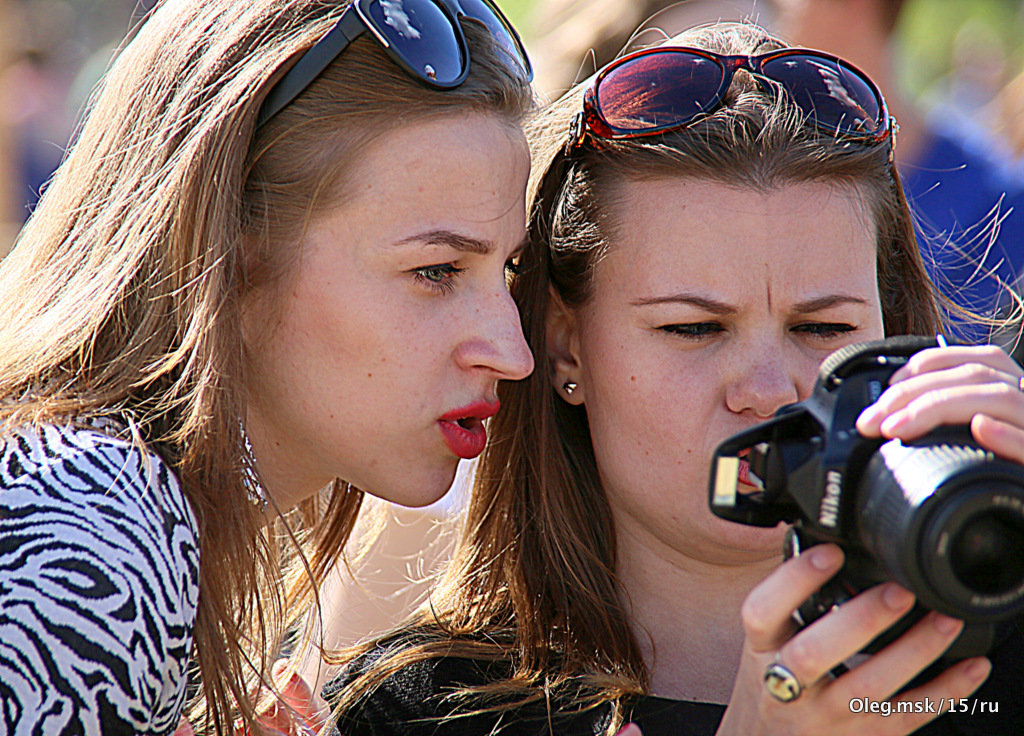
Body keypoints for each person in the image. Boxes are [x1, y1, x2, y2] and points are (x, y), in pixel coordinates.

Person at [322, 21, 1024, 736]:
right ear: (565, 351)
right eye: (693, 329)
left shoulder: (1000, 657)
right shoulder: (421, 714)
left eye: (823, 330)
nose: (768, 387)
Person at [0, 0, 536, 733]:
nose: (512, 353)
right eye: (437, 271)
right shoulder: (91, 519)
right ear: (227, 247)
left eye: (507, 270)